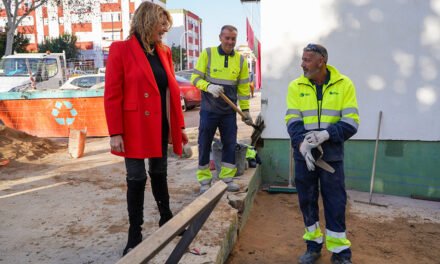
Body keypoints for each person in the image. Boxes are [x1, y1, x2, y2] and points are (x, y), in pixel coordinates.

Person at [104, 2, 188, 256]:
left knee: (160, 172)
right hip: (133, 126)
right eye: (161, 24)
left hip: (159, 124)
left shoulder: (163, 52)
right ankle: (135, 233)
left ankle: (166, 218)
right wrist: (115, 132)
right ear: (147, 21)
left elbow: (170, 93)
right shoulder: (120, 49)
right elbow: (112, 94)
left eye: (166, 25)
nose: (164, 30)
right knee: (137, 178)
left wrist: (178, 126)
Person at [285, 44, 360, 264]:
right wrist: (302, 144)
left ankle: (340, 253)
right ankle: (313, 246)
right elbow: (292, 120)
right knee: (307, 201)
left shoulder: (344, 84)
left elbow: (351, 122)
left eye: (307, 59)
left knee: (335, 202)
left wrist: (325, 135)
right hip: (303, 156)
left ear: (321, 61)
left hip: (331, 156)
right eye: (302, 59)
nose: (302, 64)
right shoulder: (295, 86)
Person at [191, 25, 252, 194]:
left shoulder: (240, 60)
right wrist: (208, 86)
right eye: (227, 38)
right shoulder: (208, 53)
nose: (230, 42)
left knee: (230, 145)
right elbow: (195, 78)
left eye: (233, 38)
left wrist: (245, 110)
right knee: (204, 144)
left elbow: (243, 87)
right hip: (209, 110)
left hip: (228, 113)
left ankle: (227, 179)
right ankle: (204, 180)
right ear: (220, 38)